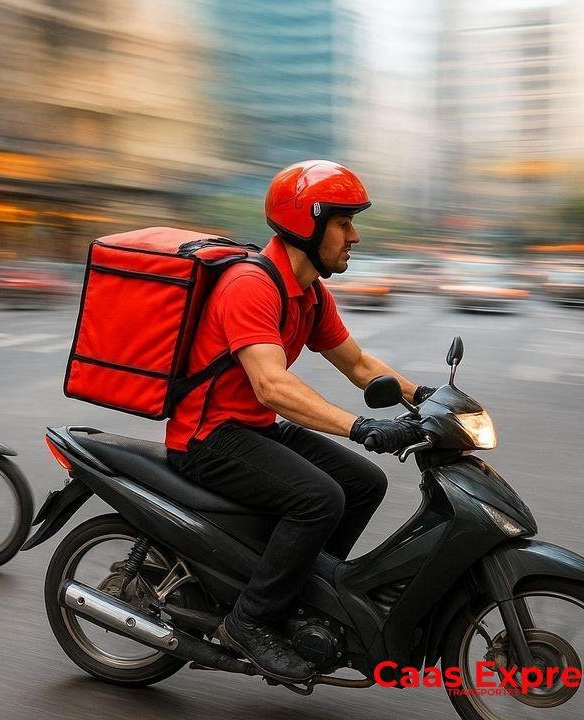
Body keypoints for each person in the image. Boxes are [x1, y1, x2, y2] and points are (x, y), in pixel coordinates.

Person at [165, 161, 436, 684]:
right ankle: (252, 619)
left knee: (364, 482)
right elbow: (272, 385)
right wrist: (360, 427)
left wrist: (426, 397)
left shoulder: (310, 293)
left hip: (251, 428)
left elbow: (358, 364)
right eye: (343, 223)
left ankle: (306, 596)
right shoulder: (251, 285)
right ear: (305, 223)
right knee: (319, 499)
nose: (354, 236)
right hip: (208, 436)